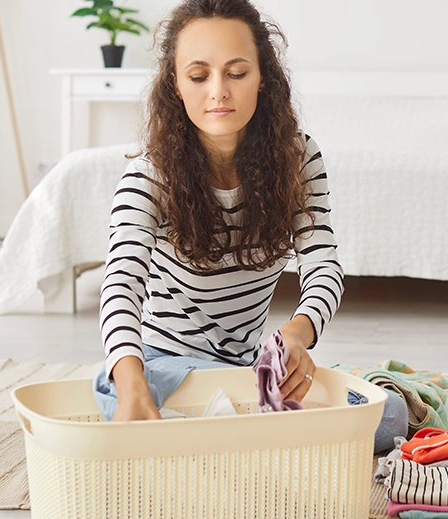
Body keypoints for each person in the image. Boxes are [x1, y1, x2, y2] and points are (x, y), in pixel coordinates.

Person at [94, 0, 406, 451]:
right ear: (176, 85)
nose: (218, 91)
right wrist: (131, 382)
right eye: (199, 76)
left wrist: (298, 334)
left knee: (388, 416)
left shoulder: (298, 157)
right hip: (164, 368)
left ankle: (219, 437)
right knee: (112, 387)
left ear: (263, 78)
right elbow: (120, 282)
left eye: (237, 73)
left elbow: (323, 265)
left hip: (248, 370)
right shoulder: (149, 174)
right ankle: (236, 435)